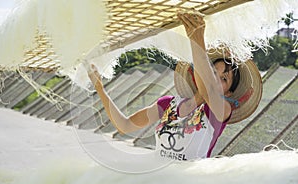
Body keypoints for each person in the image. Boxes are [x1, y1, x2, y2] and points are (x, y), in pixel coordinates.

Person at [87, 13, 262, 161]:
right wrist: (100, 89)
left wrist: (196, 37)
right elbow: (125, 125)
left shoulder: (221, 111)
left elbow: (208, 89)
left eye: (224, 79)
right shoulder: (168, 105)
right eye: (213, 72)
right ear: (196, 75)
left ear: (228, 92)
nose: (216, 79)